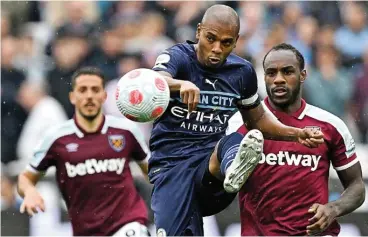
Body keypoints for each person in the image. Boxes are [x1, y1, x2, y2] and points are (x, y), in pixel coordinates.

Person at [149, 4, 324, 236]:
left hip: (211, 172)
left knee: (236, 139)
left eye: (226, 43)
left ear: (236, 41)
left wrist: (296, 133)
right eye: (211, 38)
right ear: (199, 31)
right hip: (172, 167)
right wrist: (179, 84)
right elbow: (155, 81)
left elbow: (258, 120)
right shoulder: (177, 57)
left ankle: (235, 167)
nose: (216, 49)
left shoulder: (242, 72)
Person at [226, 43, 366, 236]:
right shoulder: (240, 124)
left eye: (287, 72)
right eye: (271, 73)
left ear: (303, 75)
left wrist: (334, 208)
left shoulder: (330, 125)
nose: (278, 80)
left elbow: (356, 186)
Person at [17, 67, 151, 236]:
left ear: (104, 96)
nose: (89, 96)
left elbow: (152, 173)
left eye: (95, 90)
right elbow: (25, 178)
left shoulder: (126, 131)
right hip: (85, 230)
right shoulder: (56, 138)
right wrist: (29, 192)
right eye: (82, 90)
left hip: (128, 224)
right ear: (72, 97)